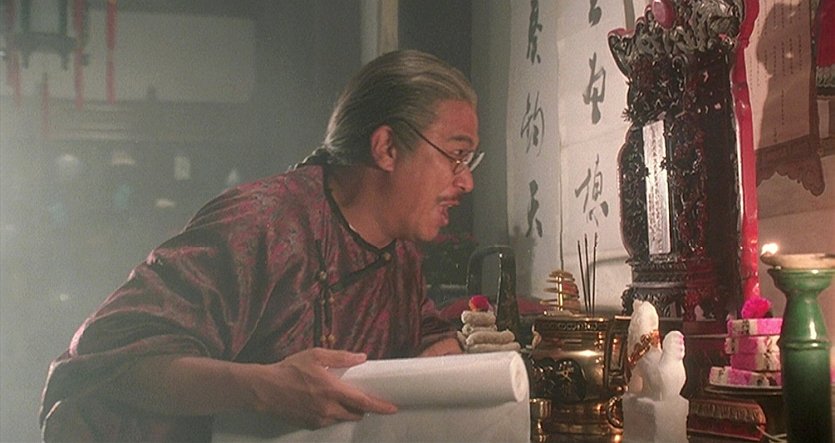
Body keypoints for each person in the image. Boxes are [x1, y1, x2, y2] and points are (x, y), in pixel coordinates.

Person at [39, 49, 482, 442]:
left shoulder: (399, 254)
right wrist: (263, 388)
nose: (467, 181)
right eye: (456, 155)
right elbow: (104, 358)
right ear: (386, 148)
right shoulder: (263, 223)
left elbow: (417, 328)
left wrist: (437, 350)